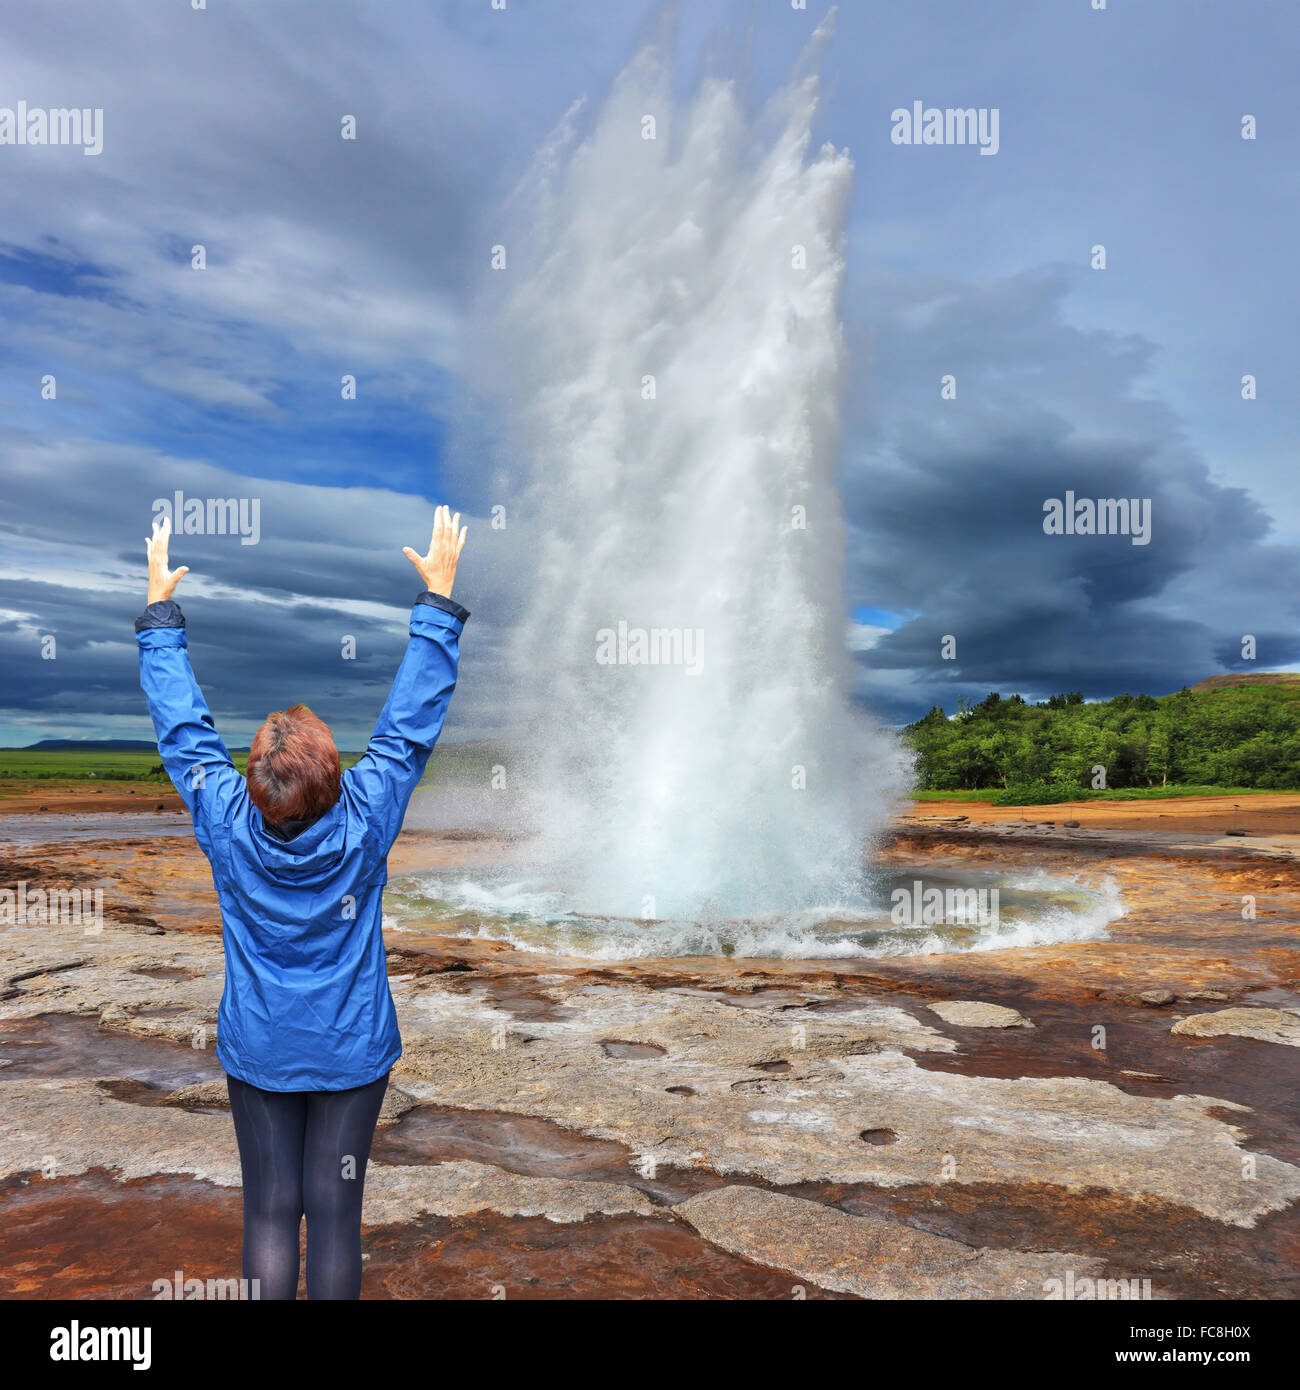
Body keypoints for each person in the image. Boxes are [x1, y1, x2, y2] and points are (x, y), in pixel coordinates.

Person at [135, 506, 469, 1299]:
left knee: (270, 1212)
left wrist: (160, 618)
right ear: (332, 777)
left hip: (261, 1045)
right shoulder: (367, 811)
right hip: (351, 1050)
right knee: (336, 1213)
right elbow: (408, 731)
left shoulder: (225, 813)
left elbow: (183, 733)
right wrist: (438, 607)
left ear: (258, 781)